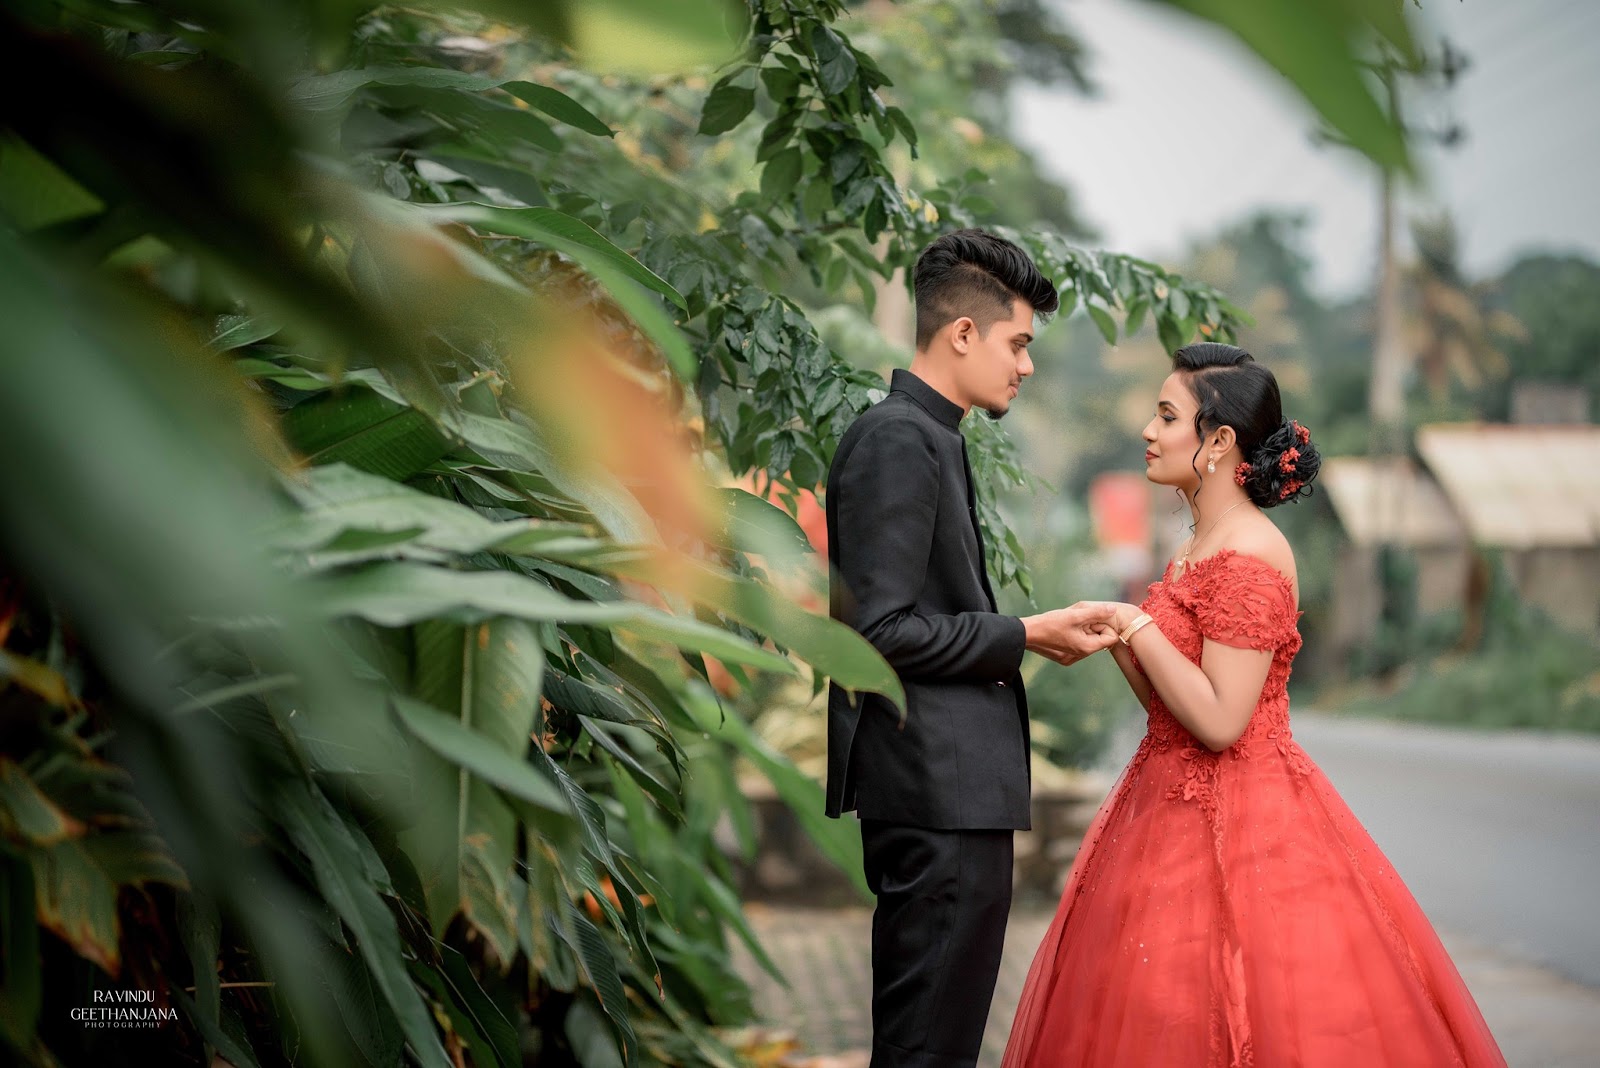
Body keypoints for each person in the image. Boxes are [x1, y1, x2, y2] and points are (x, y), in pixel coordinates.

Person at [1002, 342, 1507, 1067]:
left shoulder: (1251, 553)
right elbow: (1169, 710)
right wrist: (1118, 637)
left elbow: (1219, 722)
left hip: (1246, 818)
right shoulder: (1197, 543)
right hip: (1159, 805)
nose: (1147, 430)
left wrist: (1133, 623)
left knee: (1238, 1007)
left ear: (1218, 442)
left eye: (1166, 415)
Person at [823, 228, 1120, 1068]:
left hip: (952, 794)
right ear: (962, 332)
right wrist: (1026, 633)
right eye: (1018, 343)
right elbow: (878, 632)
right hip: (933, 794)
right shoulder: (898, 439)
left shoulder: (933, 436)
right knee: (926, 1050)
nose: (1027, 366)